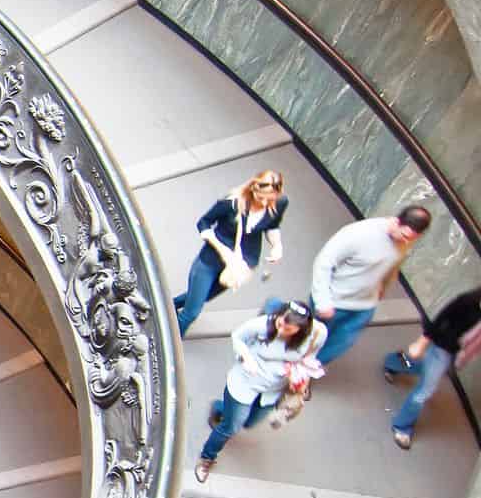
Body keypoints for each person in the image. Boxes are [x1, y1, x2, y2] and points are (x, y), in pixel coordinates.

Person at [194, 299, 326, 483]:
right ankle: (207, 457)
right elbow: (238, 336)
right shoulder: (262, 326)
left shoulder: (317, 334)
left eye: (288, 329)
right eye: (280, 323)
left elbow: (310, 355)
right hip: (245, 384)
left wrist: (301, 375)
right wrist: (246, 357)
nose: (281, 330)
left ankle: (221, 409)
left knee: (250, 422)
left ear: (301, 330)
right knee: (231, 427)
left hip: (272, 390)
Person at [310, 206, 432, 365]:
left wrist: (383, 288)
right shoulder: (359, 234)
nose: (406, 242)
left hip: (364, 306)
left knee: (340, 344)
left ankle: (307, 371)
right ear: (396, 222)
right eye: (405, 235)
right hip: (335, 300)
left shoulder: (405, 241)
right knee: (311, 340)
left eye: (412, 239)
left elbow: (393, 265)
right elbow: (324, 263)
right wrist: (322, 301)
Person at [172, 170, 289, 332]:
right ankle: (174, 339)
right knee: (191, 313)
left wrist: (277, 246)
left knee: (204, 296)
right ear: (253, 188)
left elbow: (272, 225)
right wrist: (223, 250)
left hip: (238, 266)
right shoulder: (232, 203)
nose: (263, 203)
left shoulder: (280, 203)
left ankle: (170, 304)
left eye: (269, 200)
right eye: (260, 198)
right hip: (210, 260)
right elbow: (203, 223)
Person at [383, 286, 481, 450]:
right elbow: (442, 318)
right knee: (425, 391)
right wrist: (423, 341)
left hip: (452, 353)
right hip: (441, 348)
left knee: (420, 367)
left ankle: (393, 362)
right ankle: (402, 427)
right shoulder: (467, 302)